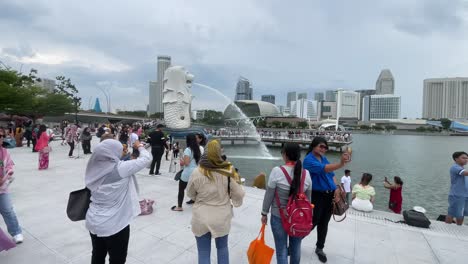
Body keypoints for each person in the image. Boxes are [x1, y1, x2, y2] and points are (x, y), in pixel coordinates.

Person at [85, 139, 151, 264]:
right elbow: (146, 159)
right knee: (117, 259)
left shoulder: (93, 167)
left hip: (94, 220)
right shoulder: (121, 168)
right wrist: (140, 147)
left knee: (97, 254)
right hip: (115, 224)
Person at [187, 139, 245, 264]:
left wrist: (200, 198)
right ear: (219, 153)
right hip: (221, 217)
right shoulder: (228, 170)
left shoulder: (197, 172)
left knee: (203, 253)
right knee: (222, 248)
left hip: (200, 217)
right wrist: (233, 200)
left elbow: (190, 193)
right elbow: (239, 193)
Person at [261, 143, 312, 264]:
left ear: (285, 155)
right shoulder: (307, 174)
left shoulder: (277, 171)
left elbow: (269, 194)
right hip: (298, 218)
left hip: (279, 216)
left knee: (281, 250)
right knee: (295, 249)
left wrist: (264, 213)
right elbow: (308, 201)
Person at [303, 137, 350, 263]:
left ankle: (320, 248)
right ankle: (295, 241)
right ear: (314, 146)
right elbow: (325, 169)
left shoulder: (323, 158)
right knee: (312, 222)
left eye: (325, 147)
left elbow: (332, 174)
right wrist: (341, 163)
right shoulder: (308, 160)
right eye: (321, 146)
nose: (323, 149)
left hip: (329, 196)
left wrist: (337, 189)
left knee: (324, 223)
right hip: (316, 195)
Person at [0, 128, 23, 244]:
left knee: (8, 210)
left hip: (2, 188)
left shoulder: (4, 152)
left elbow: (9, 165)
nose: (0, 138)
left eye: (1, 136)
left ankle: (16, 232)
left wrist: (8, 173)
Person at [172, 133, 201, 211]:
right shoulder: (199, 148)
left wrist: (182, 161)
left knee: (181, 189)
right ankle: (197, 203)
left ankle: (179, 207)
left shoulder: (188, 149)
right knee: (196, 189)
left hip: (188, 172)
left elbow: (187, 163)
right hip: (197, 171)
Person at [445, 151, 468, 225]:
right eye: (463, 158)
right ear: (456, 159)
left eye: (467, 158)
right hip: (457, 195)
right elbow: (465, 173)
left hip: (465, 195)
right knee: (452, 212)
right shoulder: (455, 167)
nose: (466, 160)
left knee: (461, 213)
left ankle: (459, 228)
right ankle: (447, 227)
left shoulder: (463, 168)